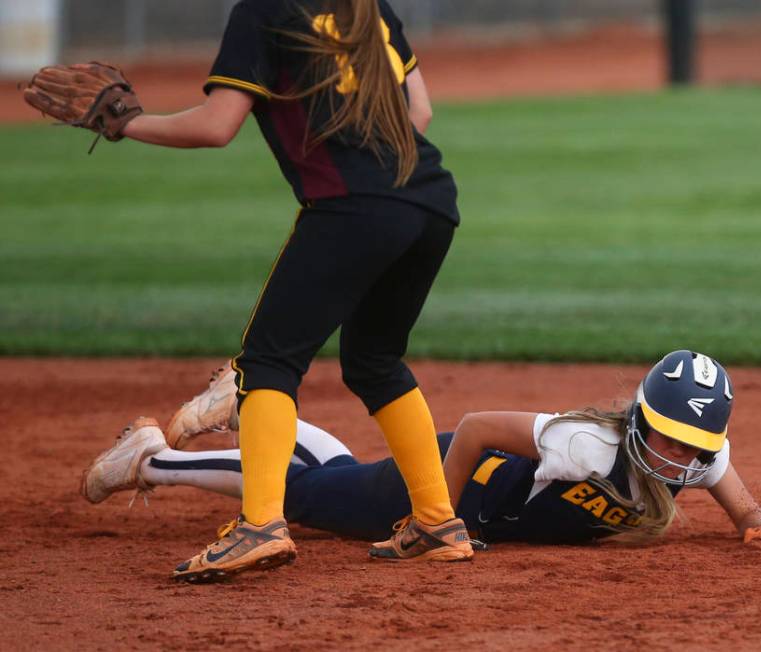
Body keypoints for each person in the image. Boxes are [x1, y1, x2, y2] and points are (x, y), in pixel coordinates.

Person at [56, 0, 472, 580]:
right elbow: (418, 111)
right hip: (431, 201)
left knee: (266, 363)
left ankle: (261, 526)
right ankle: (436, 521)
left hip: (353, 208)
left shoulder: (265, 9)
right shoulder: (368, 5)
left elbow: (216, 125)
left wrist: (125, 123)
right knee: (375, 360)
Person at [81, 351, 761, 571]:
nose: (682, 457)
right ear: (642, 422)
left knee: (337, 472)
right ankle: (153, 459)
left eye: (695, 445)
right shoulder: (588, 446)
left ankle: (252, 408)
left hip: (462, 499)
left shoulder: (700, 458)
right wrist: (428, 515)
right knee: (306, 498)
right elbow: (474, 429)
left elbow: (753, 517)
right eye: (671, 438)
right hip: (450, 483)